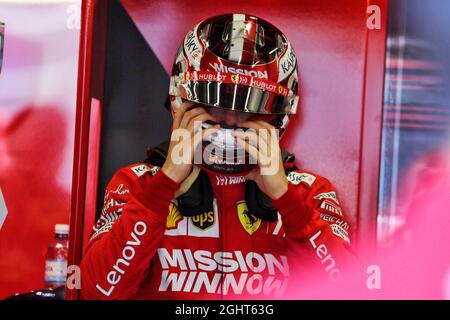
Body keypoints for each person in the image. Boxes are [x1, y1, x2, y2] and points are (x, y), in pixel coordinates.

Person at [80, 13, 353, 299]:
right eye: (216, 103)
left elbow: (347, 291)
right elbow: (99, 291)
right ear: (182, 100)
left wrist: (287, 199)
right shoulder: (138, 185)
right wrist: (164, 185)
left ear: (279, 111)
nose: (232, 120)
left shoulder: (309, 193)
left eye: (250, 106)